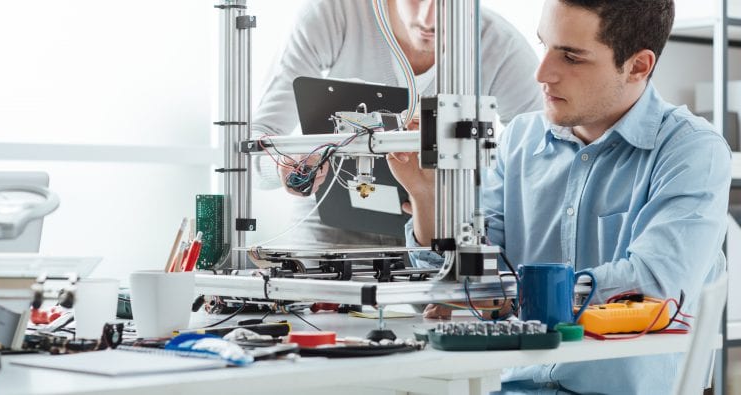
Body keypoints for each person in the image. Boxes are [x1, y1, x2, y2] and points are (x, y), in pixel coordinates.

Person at [389, 0, 731, 393]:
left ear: (638, 65)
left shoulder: (690, 150)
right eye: (544, 46)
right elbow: (464, 280)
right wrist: (425, 196)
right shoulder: (520, 138)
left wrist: (504, 299)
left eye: (571, 56)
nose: (542, 73)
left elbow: (652, 284)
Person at [251, 0, 542, 247]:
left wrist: (464, 204)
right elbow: (256, 144)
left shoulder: (501, 47)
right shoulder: (335, 12)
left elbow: (539, 159)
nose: (428, 19)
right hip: (328, 225)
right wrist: (288, 164)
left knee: (453, 310)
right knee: (302, 308)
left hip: (437, 225)